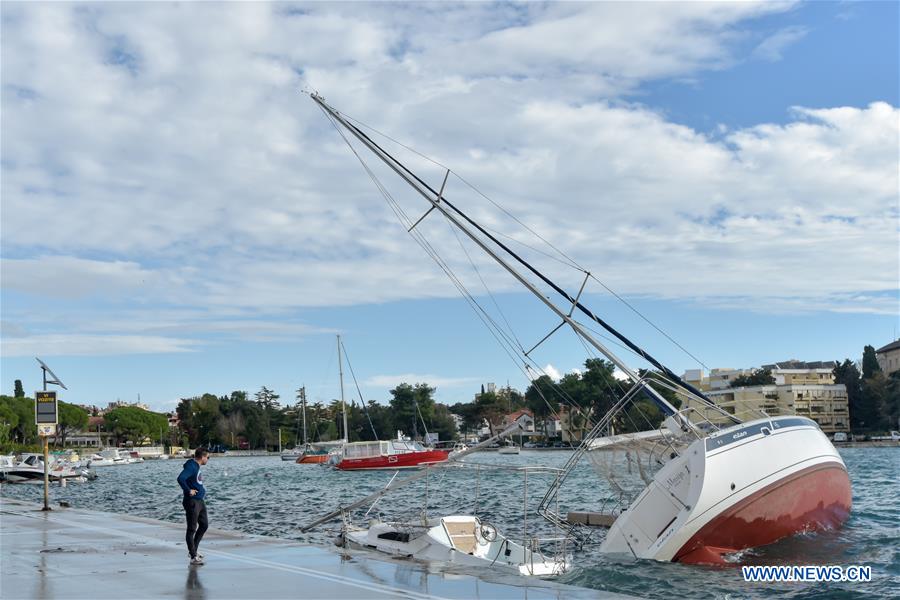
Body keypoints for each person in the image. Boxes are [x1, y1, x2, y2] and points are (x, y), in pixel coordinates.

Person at [177, 447, 210, 565]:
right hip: (192, 502)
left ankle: (193, 550)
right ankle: (193, 557)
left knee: (204, 525)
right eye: (208, 457)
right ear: (202, 457)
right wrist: (188, 490)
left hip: (199, 501)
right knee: (191, 529)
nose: (208, 459)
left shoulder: (196, 466)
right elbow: (181, 478)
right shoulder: (191, 466)